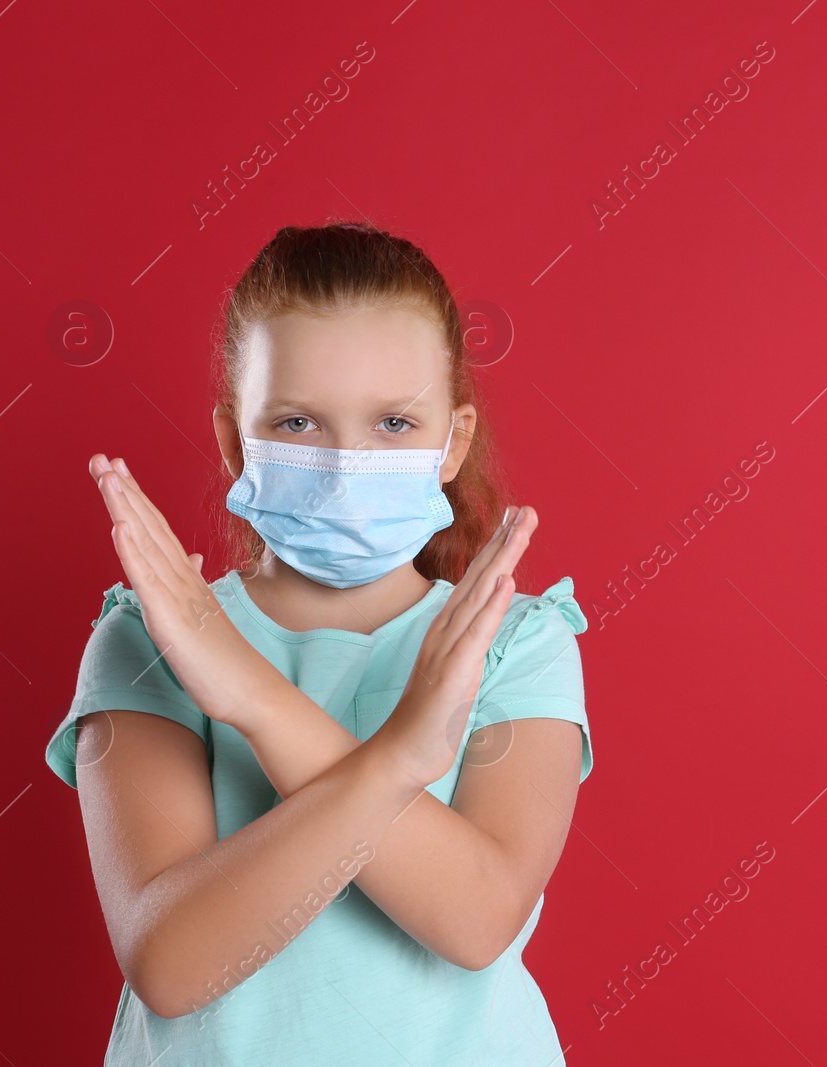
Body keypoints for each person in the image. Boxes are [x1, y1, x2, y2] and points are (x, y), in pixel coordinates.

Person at [42, 220, 594, 1065]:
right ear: (235, 441)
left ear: (454, 441)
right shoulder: (145, 641)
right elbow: (170, 962)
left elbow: (478, 918)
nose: (345, 463)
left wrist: (253, 699)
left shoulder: (516, 641)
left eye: (393, 424)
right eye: (298, 422)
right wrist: (397, 757)